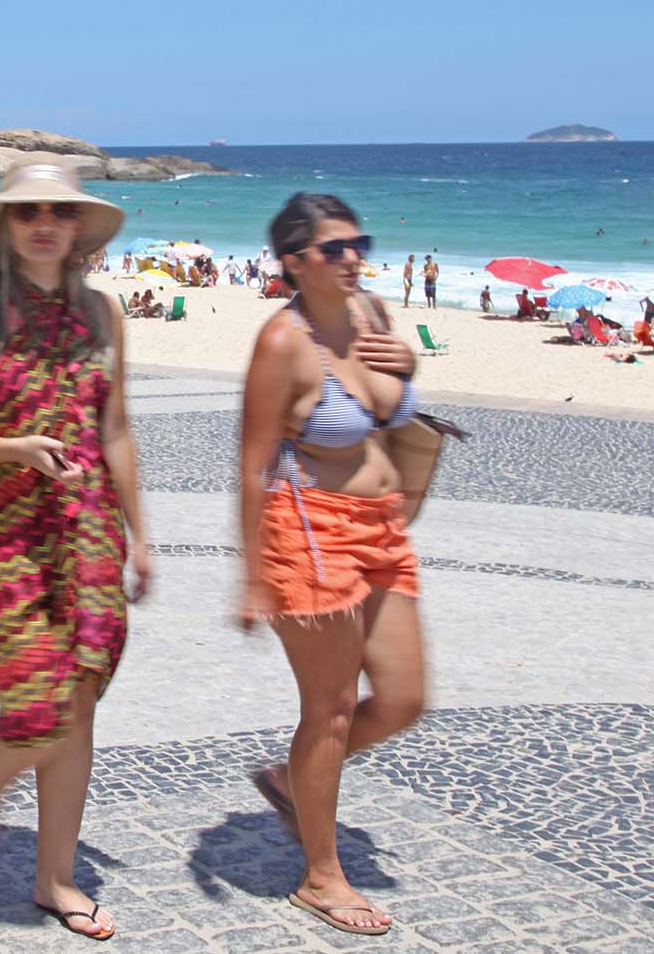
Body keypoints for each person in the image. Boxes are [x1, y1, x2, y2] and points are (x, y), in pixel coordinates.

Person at [0, 162, 151, 941]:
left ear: (79, 228)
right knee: (38, 701)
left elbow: (114, 426)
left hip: (89, 528)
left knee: (79, 705)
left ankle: (56, 877)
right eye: (29, 212)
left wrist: (141, 533)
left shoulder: (103, 312)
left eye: (60, 210)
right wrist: (14, 448)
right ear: (8, 227)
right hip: (4, 535)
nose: (46, 222)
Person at [237, 193, 424, 937]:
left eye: (359, 243)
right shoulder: (283, 342)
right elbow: (252, 460)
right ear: (293, 261)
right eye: (334, 249)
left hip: (383, 526)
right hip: (307, 529)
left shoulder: (374, 313)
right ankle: (320, 875)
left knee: (405, 697)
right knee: (333, 708)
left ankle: (291, 780)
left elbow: (397, 399)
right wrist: (252, 575)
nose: (353, 258)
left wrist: (409, 362)